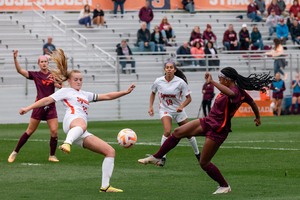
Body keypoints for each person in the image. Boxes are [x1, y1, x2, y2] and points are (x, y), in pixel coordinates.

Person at [138, 67, 273, 194]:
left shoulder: (237, 92)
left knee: (204, 162)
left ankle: (224, 186)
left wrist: (212, 82)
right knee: (178, 132)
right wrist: (258, 117)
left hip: (218, 129)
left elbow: (234, 95)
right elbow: (253, 104)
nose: (219, 80)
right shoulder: (229, 89)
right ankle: (157, 157)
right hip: (208, 121)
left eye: (220, 78)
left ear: (227, 80)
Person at [19, 48, 135, 192]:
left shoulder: (85, 94)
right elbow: (45, 100)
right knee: (82, 123)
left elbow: (107, 96)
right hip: (72, 121)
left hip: (80, 131)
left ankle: (105, 186)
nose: (79, 81)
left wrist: (125, 92)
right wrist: (28, 108)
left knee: (110, 151)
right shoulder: (66, 91)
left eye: (80, 79)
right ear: (69, 81)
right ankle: (67, 143)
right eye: (76, 79)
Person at [8, 50, 63, 163]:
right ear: (38, 64)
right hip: (38, 106)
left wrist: (60, 85)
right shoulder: (35, 75)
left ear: (48, 63)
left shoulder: (53, 75)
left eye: (45, 61)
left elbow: (60, 85)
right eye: (41, 62)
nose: (43, 63)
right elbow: (19, 71)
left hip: (51, 106)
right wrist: (15, 58)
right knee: (30, 131)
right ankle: (15, 152)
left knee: (54, 132)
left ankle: (52, 155)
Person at [148, 61, 200, 166]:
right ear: (164, 70)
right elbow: (153, 92)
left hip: (178, 110)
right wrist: (151, 106)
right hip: (165, 110)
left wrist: (181, 106)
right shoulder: (158, 81)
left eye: (171, 67)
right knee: (167, 131)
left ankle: (198, 154)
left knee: (189, 133)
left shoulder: (180, 82)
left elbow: (189, 98)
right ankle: (162, 158)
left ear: (175, 70)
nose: (169, 69)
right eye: (167, 67)